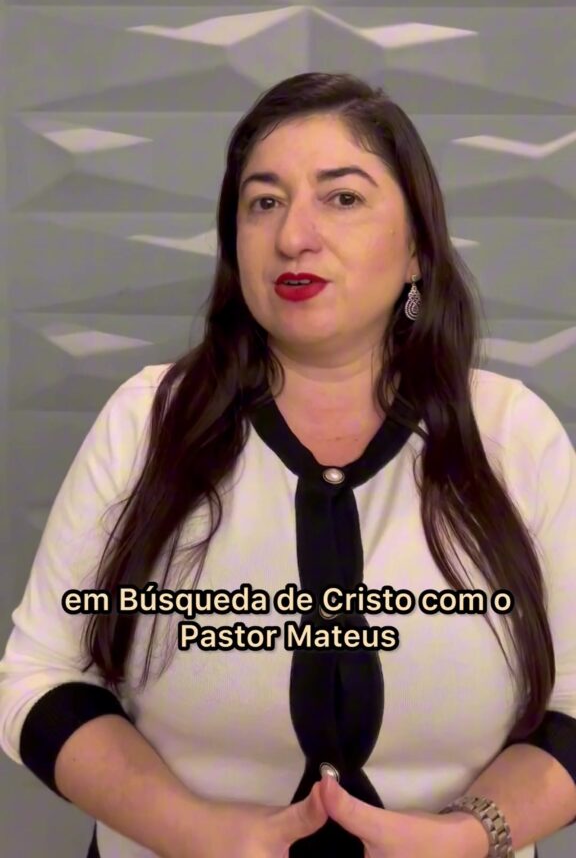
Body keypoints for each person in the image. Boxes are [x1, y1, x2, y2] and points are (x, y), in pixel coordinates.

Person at [0, 72, 575, 858]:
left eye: (342, 197)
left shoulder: (512, 434)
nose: (294, 235)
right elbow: (38, 677)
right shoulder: (146, 421)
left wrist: (470, 836)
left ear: (416, 248)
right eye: (263, 202)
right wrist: (199, 835)